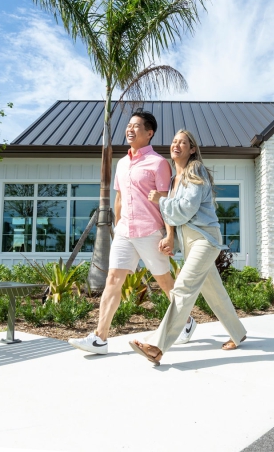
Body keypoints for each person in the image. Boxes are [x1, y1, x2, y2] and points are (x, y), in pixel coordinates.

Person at [69, 111, 196, 355]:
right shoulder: (122, 163)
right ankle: (100, 338)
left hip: (151, 231)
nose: (130, 129)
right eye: (128, 126)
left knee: (164, 282)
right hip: (125, 232)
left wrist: (169, 235)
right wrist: (118, 229)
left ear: (149, 133)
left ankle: (187, 321)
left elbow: (166, 202)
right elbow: (118, 198)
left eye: (136, 126)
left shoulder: (158, 163)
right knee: (113, 280)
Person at [129, 129, 247, 365]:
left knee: (182, 288)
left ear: (192, 149)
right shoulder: (174, 179)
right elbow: (173, 216)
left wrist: (160, 200)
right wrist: (170, 236)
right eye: (174, 141)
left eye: (183, 142)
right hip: (190, 243)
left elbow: (186, 208)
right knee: (215, 293)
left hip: (205, 240)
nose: (177, 145)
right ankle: (238, 333)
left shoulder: (196, 170)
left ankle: (157, 346)